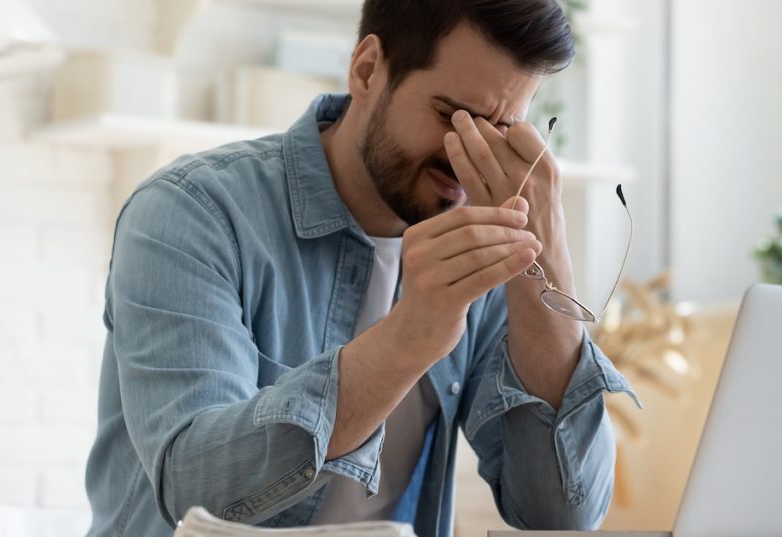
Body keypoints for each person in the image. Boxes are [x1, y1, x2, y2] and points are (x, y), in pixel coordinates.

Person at [84, 1, 635, 536]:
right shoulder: (192, 213)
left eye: (502, 130)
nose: (469, 156)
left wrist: (550, 254)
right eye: (451, 116)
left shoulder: (486, 248)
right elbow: (197, 493)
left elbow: (562, 512)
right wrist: (410, 337)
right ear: (367, 69)